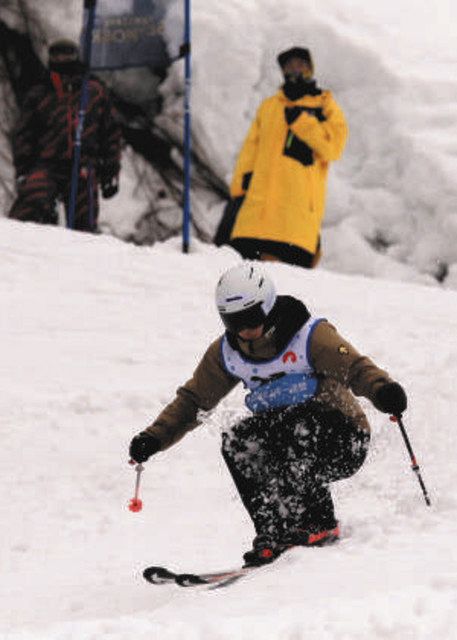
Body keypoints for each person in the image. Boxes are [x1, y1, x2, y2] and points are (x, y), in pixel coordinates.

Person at [129, 262, 408, 567]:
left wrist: (383, 390)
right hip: (287, 439)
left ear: (269, 305)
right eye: (233, 321)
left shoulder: (309, 337)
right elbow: (194, 400)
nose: (244, 330)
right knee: (237, 440)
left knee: (294, 424)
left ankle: (319, 522)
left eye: (251, 318)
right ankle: (273, 531)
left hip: (342, 439)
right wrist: (154, 438)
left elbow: (356, 369)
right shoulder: (227, 353)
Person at [216, 46, 348, 268]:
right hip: (258, 211)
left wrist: (302, 123)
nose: (294, 69)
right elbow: (251, 148)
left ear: (310, 69)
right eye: (288, 65)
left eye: (300, 64)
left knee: (285, 284)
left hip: (296, 212)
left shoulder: (324, 105)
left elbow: (332, 148)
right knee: (243, 273)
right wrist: (240, 186)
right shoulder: (270, 106)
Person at [8, 39, 122, 232]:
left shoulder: (93, 92)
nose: (62, 59)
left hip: (83, 164)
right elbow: (24, 134)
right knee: (28, 209)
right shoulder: (40, 92)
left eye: (67, 54)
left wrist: (110, 171)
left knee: (84, 224)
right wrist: (23, 170)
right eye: (57, 55)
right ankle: (28, 249)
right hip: (46, 163)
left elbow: (110, 132)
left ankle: (78, 257)